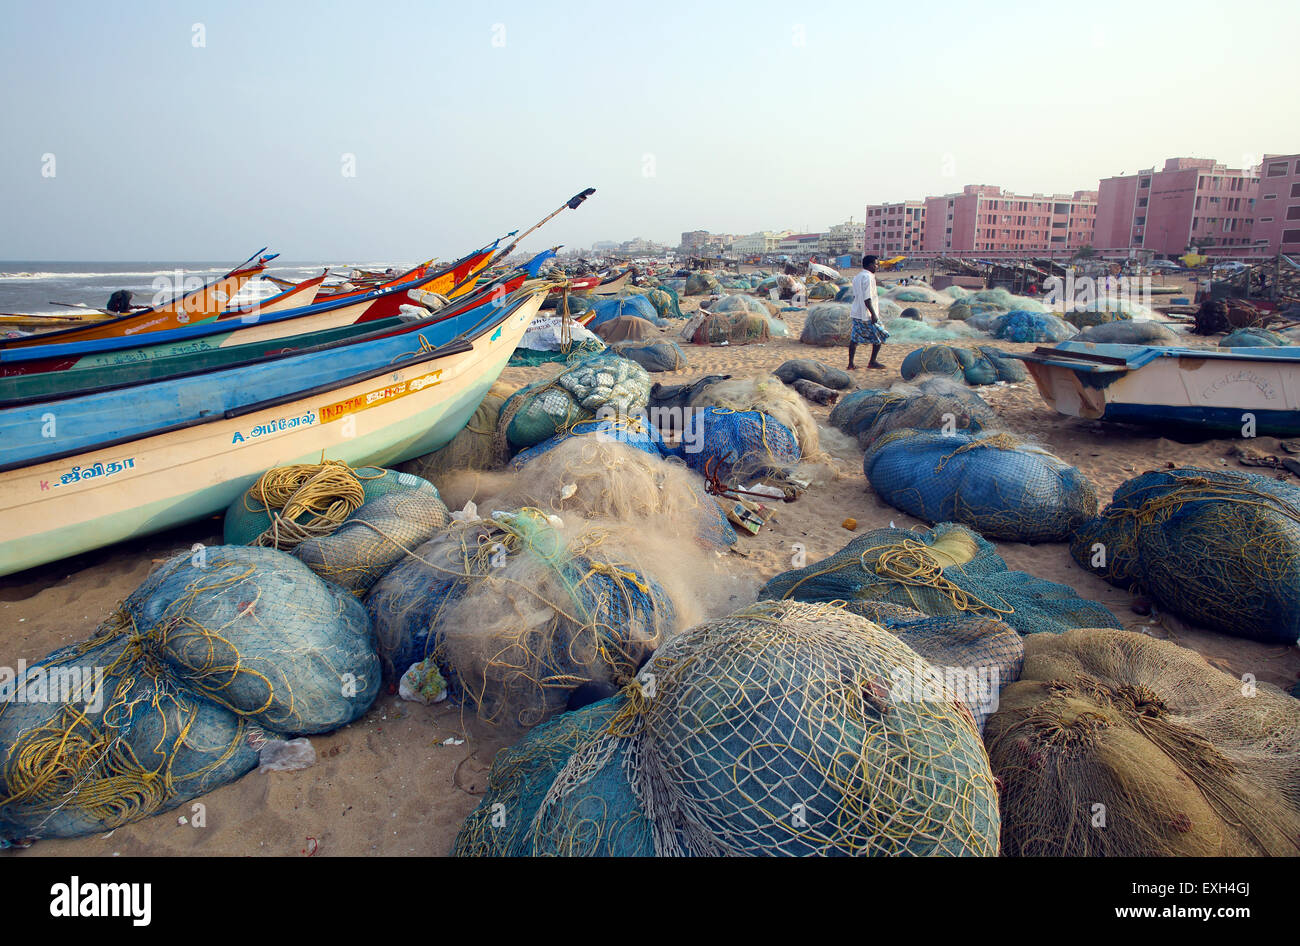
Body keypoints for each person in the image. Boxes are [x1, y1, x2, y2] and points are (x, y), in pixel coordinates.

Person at [848, 254, 888, 370]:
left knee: (854, 338)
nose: (877, 267)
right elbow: (867, 298)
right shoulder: (869, 277)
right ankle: (872, 361)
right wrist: (873, 314)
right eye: (876, 264)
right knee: (879, 336)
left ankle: (851, 364)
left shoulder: (857, 277)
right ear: (870, 265)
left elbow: (857, 295)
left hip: (856, 312)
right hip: (867, 314)